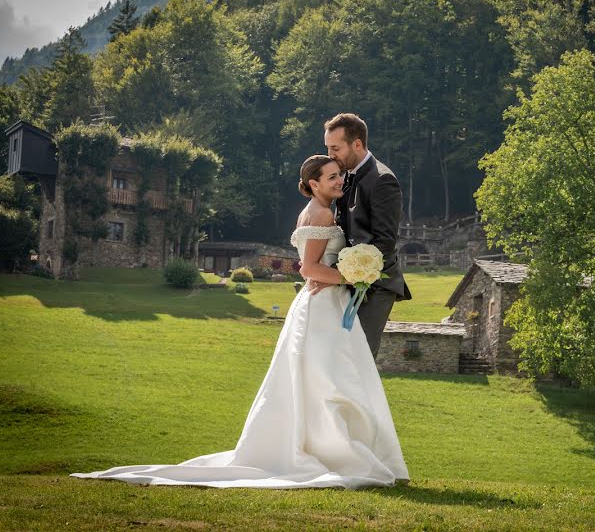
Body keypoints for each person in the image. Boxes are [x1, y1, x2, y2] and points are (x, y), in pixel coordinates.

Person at [70, 155, 409, 489]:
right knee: (328, 380)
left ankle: (329, 446)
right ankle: (332, 451)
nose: (339, 181)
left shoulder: (324, 210)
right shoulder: (318, 213)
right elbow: (308, 270)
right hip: (322, 305)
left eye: (339, 175)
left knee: (327, 379)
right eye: (332, 177)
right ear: (314, 184)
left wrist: (348, 273)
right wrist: (351, 276)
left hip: (327, 305)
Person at [310, 113, 411, 357]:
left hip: (376, 284)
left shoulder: (382, 180)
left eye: (336, 148)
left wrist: (336, 274)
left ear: (357, 144)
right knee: (337, 356)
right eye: (328, 148)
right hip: (348, 279)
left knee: (358, 359)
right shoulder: (344, 175)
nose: (330, 155)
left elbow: (384, 243)